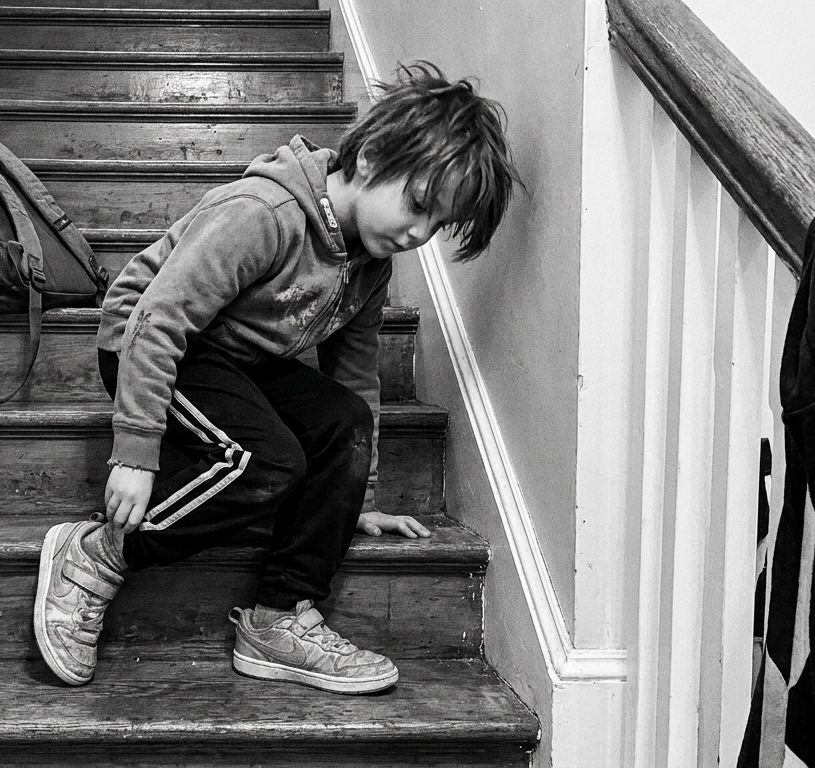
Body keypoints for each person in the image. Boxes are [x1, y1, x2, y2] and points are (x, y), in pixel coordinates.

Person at [33, 62, 519, 694]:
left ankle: (279, 618)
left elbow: (354, 373)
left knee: (341, 420)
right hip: (149, 344)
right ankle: (95, 554)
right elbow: (159, 318)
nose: (419, 234)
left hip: (242, 362)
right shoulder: (264, 212)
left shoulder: (368, 261)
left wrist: (353, 500)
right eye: (419, 205)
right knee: (265, 461)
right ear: (370, 159)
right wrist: (134, 450)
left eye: (437, 225)